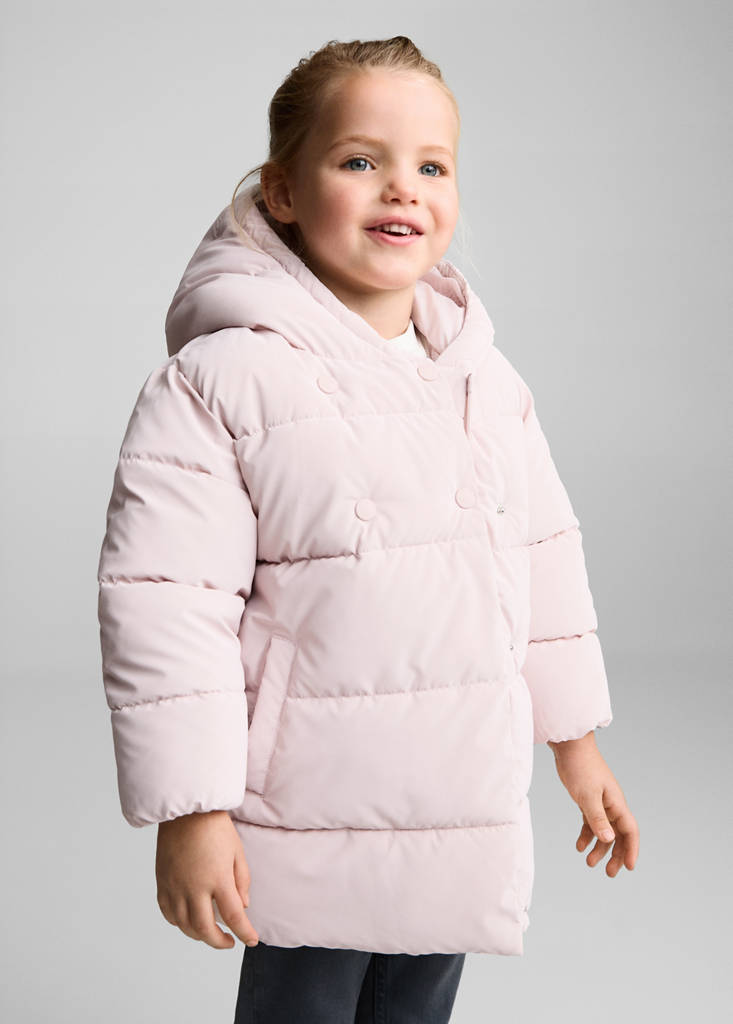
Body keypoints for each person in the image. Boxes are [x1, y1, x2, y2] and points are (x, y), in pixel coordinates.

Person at [96, 34, 640, 1024]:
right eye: (359, 160)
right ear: (282, 192)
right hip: (307, 800)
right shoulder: (221, 382)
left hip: (456, 795)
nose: (403, 189)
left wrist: (576, 742)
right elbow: (166, 608)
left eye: (432, 167)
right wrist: (192, 809)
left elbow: (543, 561)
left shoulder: (484, 382)